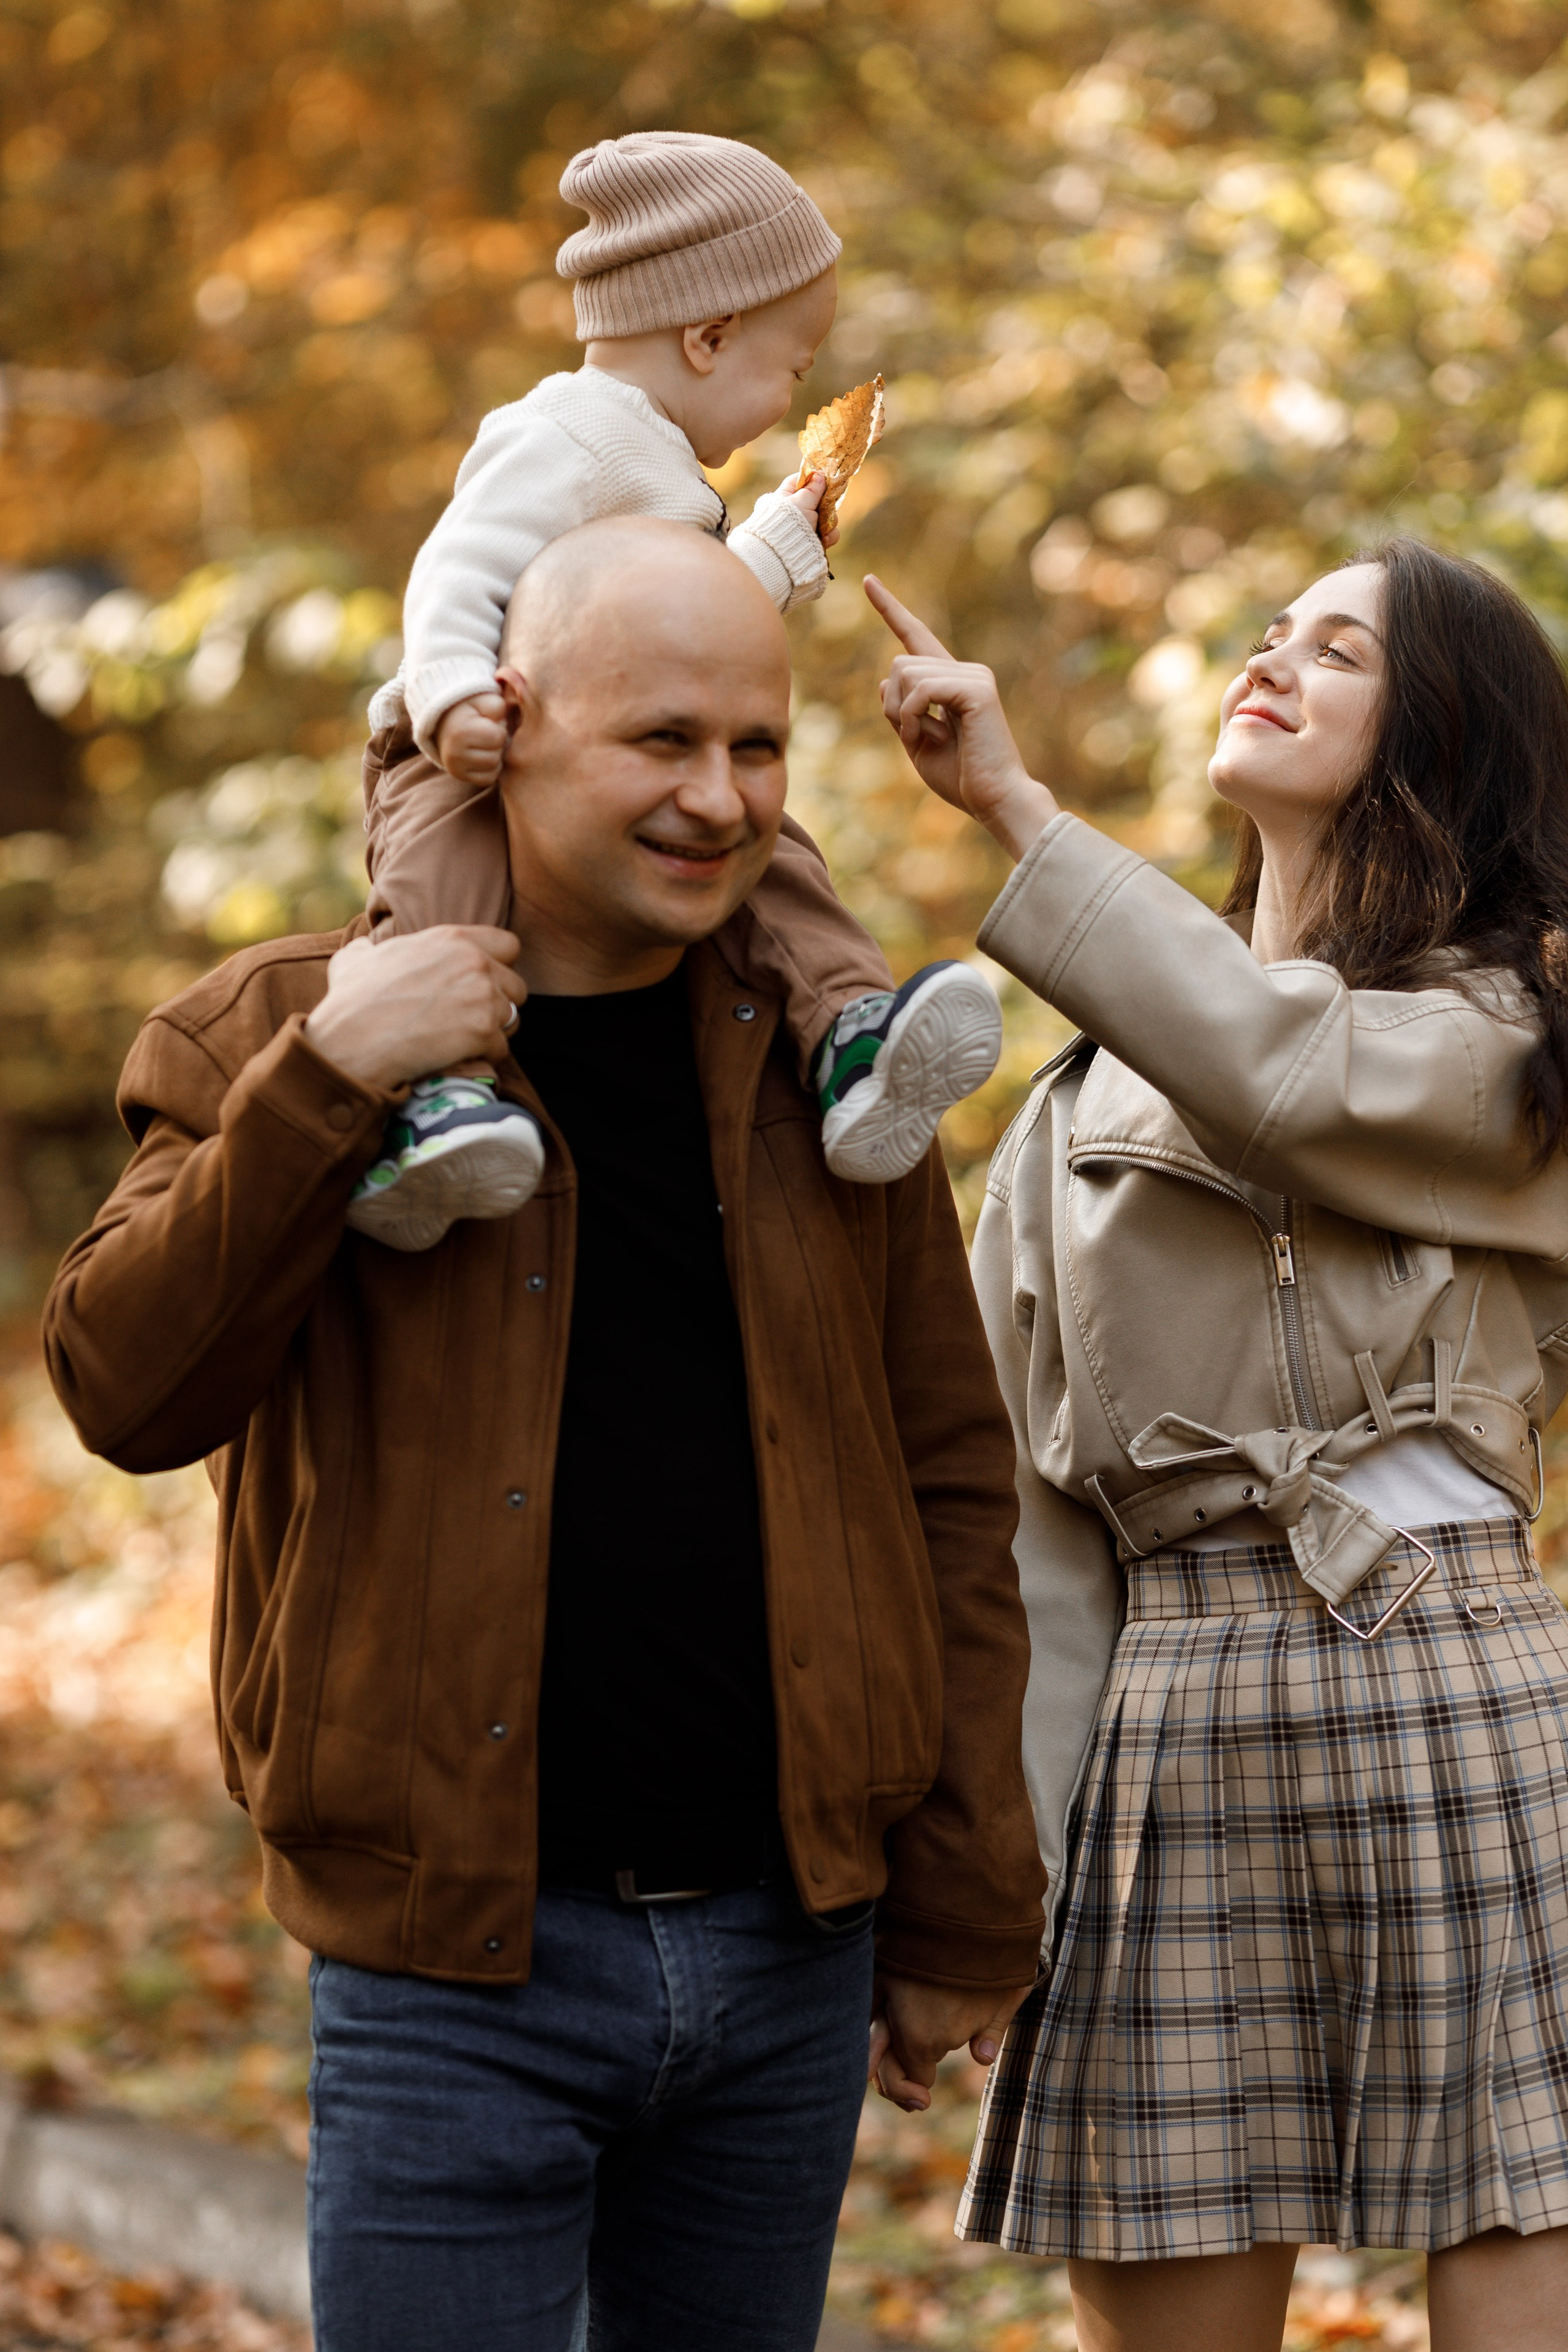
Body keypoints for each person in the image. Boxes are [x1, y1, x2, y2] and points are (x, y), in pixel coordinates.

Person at [41, 519, 1046, 2352]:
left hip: (791, 1949)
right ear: (501, 730)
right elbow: (122, 1387)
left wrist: (963, 1900)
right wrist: (330, 1084)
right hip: (454, 1970)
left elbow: (950, 1482)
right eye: (662, 741)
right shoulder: (283, 1031)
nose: (721, 798)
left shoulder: (836, 1063)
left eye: (759, 749)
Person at [861, 541, 1568, 2352]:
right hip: (1170, 1712)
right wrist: (982, 1883)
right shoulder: (1070, 1111)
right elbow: (1027, 1538)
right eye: (1275, 633)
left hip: (1457, 1669)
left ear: (1446, 740)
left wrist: (1013, 806)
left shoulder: (1513, 1052)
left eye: (1343, 650)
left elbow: (1285, 1075)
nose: (1279, 660)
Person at [350, 127, 1000, 1251]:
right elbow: (460, 562)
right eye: (791, 370)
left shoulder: (666, 477)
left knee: (777, 854)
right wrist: (453, 690)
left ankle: (850, 1036)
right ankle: (434, 1098)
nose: (789, 398)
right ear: (706, 336)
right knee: (440, 886)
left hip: (621, 752)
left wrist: (776, 551)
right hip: (468, 748)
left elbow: (670, 624)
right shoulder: (565, 437)